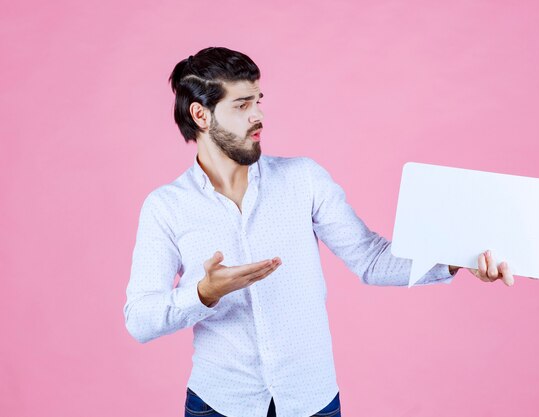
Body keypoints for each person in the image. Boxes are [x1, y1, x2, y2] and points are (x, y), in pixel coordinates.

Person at [123, 47, 515, 417]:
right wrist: (203, 294)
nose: (258, 116)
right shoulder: (166, 207)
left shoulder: (303, 179)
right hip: (219, 403)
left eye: (258, 101)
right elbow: (140, 319)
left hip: (312, 400)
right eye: (242, 106)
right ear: (201, 115)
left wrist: (454, 259)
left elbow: (371, 260)